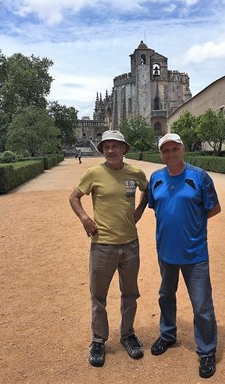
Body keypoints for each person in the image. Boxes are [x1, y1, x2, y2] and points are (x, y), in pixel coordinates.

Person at [69, 130, 148, 367]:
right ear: (102, 150)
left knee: (130, 293)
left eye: (115, 146)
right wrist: (85, 218)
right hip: (102, 245)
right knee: (98, 295)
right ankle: (98, 339)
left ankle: (127, 335)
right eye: (106, 147)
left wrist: (138, 212)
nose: (110, 150)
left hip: (130, 244)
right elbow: (74, 197)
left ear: (124, 149)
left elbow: (147, 191)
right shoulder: (94, 173)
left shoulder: (135, 173)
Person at [148, 133, 221, 379]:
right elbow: (155, 206)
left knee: (201, 305)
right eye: (165, 150)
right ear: (161, 154)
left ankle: (207, 350)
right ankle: (168, 335)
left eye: (174, 149)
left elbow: (214, 208)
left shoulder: (199, 176)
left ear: (183, 149)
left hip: (195, 252)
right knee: (166, 296)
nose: (170, 154)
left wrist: (193, 225)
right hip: (166, 251)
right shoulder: (156, 178)